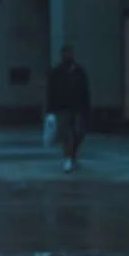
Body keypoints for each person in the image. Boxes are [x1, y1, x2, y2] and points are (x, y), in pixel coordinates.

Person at [47, 45, 91, 173]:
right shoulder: (56, 72)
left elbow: (85, 91)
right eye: (65, 53)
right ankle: (68, 158)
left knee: (78, 133)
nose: (67, 55)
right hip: (62, 108)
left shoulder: (79, 72)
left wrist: (86, 108)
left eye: (69, 53)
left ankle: (72, 156)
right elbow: (51, 92)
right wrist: (50, 110)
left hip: (77, 107)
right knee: (66, 134)